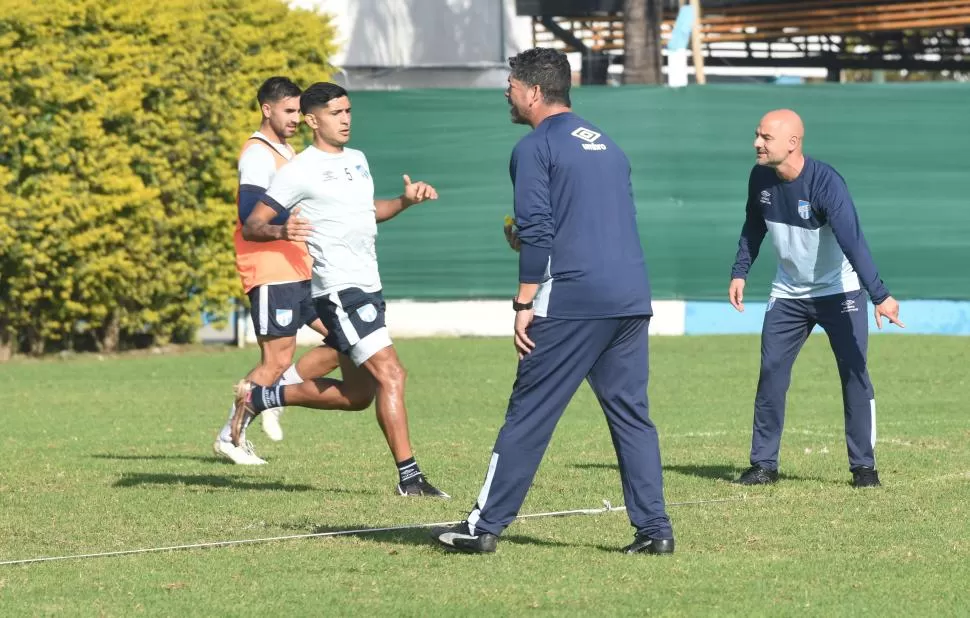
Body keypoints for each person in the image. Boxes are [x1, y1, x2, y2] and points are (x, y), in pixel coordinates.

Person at [430, 48, 674, 554]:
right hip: (629, 296)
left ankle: (482, 528)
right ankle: (655, 531)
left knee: (529, 413)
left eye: (512, 84)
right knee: (632, 416)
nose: (507, 92)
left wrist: (523, 301)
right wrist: (535, 242)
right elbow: (585, 220)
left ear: (535, 92)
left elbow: (539, 229)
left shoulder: (534, 147)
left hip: (574, 298)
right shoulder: (606, 143)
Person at [230, 82, 449, 498]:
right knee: (391, 374)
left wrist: (404, 202)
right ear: (313, 120)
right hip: (338, 290)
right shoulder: (299, 169)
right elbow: (253, 223)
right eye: (336, 113)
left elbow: (368, 213)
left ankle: (263, 397)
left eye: (348, 111)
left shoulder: (358, 159)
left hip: (369, 285)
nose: (346, 119)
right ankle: (411, 478)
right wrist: (282, 228)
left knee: (358, 395)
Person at [729, 109, 904, 488]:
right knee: (771, 374)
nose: (757, 143)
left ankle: (864, 469)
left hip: (839, 292)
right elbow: (753, 224)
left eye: (766, 138)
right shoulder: (760, 177)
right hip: (788, 295)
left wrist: (880, 296)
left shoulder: (826, 183)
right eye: (757, 135)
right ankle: (763, 466)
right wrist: (740, 270)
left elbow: (852, 241)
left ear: (792, 143)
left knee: (855, 376)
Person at [213, 76, 340, 465]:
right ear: (267, 110)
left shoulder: (287, 151)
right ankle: (230, 437)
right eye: (288, 111)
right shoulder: (257, 154)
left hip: (299, 269)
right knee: (276, 359)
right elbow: (249, 214)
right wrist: (288, 223)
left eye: (298, 112)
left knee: (342, 339)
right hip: (271, 271)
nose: (296, 119)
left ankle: (275, 394)